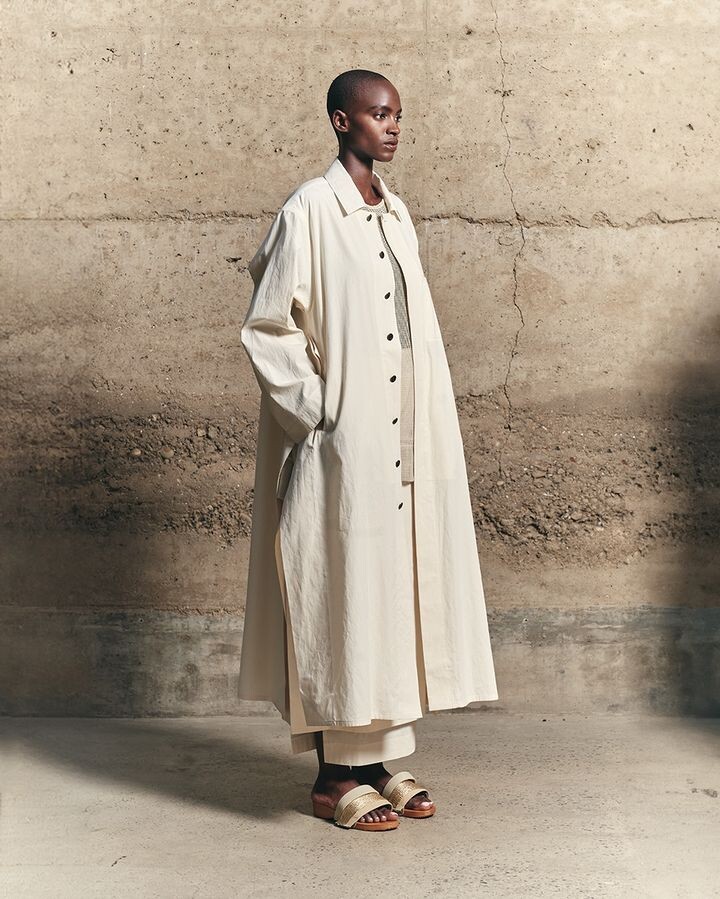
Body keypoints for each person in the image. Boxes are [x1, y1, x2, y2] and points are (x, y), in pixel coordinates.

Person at [239, 69, 499, 832]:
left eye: (398, 115)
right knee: (342, 590)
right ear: (340, 121)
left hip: (407, 434)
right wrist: (319, 409)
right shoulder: (309, 209)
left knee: (391, 590)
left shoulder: (395, 212)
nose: (392, 127)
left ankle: (380, 759)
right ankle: (333, 776)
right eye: (378, 114)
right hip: (344, 436)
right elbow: (268, 325)